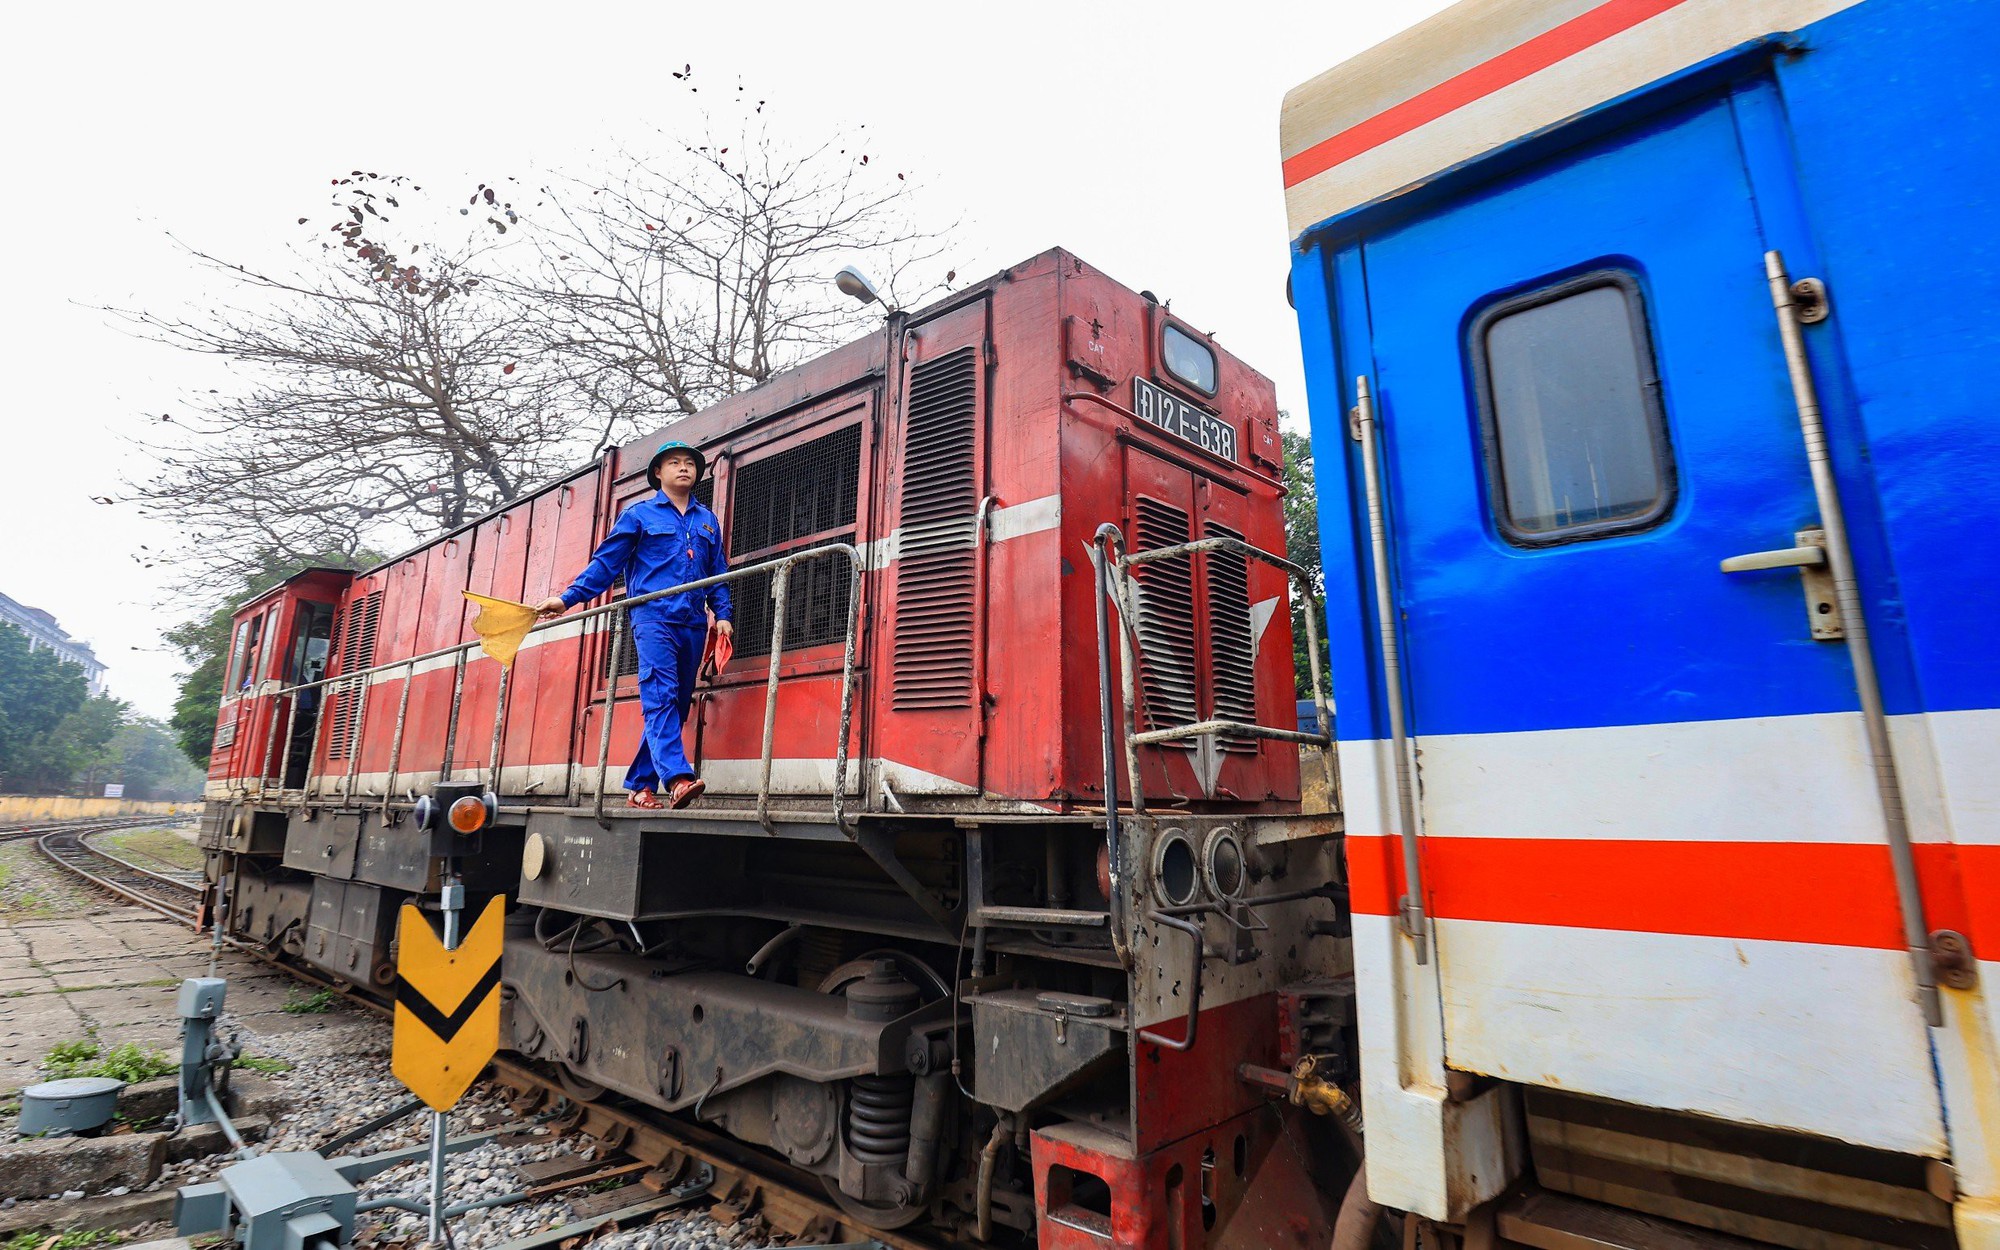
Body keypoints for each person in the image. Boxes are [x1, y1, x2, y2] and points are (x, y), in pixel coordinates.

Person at [536, 441, 732, 809]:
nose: (684, 468)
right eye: (674, 463)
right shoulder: (638, 515)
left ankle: (640, 785)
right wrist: (566, 599)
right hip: (653, 617)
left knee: (676, 704)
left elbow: (716, 572)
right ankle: (677, 778)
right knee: (660, 694)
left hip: (693, 622)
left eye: (690, 463)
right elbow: (606, 564)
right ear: (658, 473)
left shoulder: (708, 521)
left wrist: (723, 615)